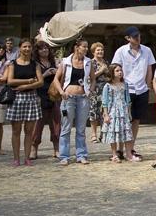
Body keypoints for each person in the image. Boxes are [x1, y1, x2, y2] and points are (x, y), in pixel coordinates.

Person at [111, 26, 155, 162]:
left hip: (141, 89)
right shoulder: (121, 51)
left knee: (136, 120)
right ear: (128, 38)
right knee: (124, 119)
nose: (138, 38)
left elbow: (149, 68)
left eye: (139, 36)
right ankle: (120, 149)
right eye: (134, 37)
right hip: (126, 89)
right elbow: (115, 69)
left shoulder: (146, 50)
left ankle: (130, 148)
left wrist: (148, 85)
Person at [2, 39, 43, 167]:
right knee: (16, 130)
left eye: (29, 47)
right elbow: (10, 81)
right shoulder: (12, 63)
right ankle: (16, 158)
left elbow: (40, 82)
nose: (27, 49)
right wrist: (29, 81)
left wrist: (25, 86)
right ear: (20, 48)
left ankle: (26, 158)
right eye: (24, 46)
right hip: (16, 99)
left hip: (31, 98)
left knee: (29, 131)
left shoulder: (35, 64)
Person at [53, 38, 93, 166]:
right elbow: (56, 79)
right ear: (77, 47)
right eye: (84, 47)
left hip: (83, 98)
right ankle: (64, 156)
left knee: (81, 128)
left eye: (87, 47)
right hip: (68, 97)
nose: (86, 49)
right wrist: (61, 91)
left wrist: (90, 91)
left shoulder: (88, 62)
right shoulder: (65, 61)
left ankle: (81, 155)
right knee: (66, 128)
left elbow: (93, 79)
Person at [29, 41, 60, 162]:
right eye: (41, 49)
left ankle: (56, 148)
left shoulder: (53, 62)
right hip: (39, 94)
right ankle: (34, 147)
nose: (44, 50)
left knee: (56, 122)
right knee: (38, 124)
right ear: (37, 51)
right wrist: (46, 74)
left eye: (46, 48)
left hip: (54, 94)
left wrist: (57, 71)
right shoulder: (35, 64)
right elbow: (33, 79)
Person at [101, 64, 132, 162]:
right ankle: (114, 154)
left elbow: (128, 100)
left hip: (123, 111)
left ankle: (128, 154)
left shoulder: (125, 85)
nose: (120, 72)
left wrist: (129, 112)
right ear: (112, 73)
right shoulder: (108, 86)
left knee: (126, 131)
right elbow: (104, 102)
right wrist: (106, 114)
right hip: (113, 111)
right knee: (113, 132)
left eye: (121, 70)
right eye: (117, 71)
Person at [88, 42, 110, 144]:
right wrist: (101, 70)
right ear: (93, 52)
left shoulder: (106, 62)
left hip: (105, 89)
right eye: (98, 50)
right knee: (93, 112)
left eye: (101, 50)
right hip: (94, 89)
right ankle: (93, 134)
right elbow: (90, 77)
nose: (100, 52)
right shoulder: (90, 63)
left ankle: (103, 133)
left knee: (104, 111)